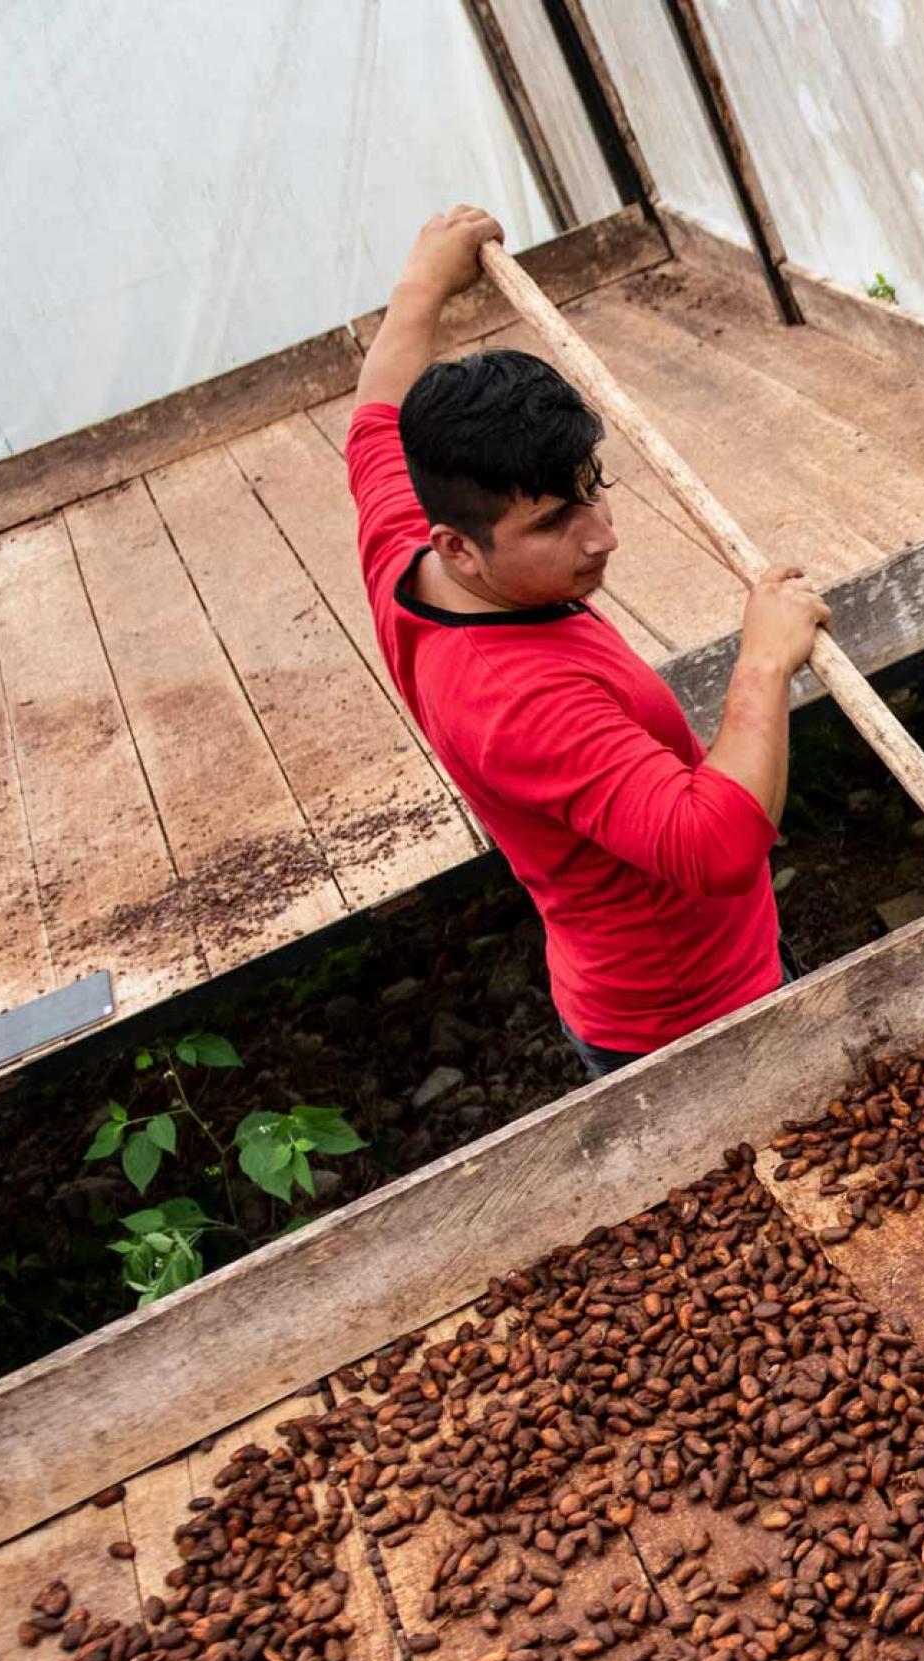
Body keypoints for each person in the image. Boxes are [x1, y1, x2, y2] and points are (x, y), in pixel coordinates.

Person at [347, 206, 824, 1077]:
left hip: (669, 965)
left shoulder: (407, 547)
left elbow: (375, 415)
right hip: (690, 1016)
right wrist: (762, 660)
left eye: (592, 489)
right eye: (555, 521)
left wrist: (425, 279)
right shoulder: (517, 699)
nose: (601, 536)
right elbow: (715, 847)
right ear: (460, 545)